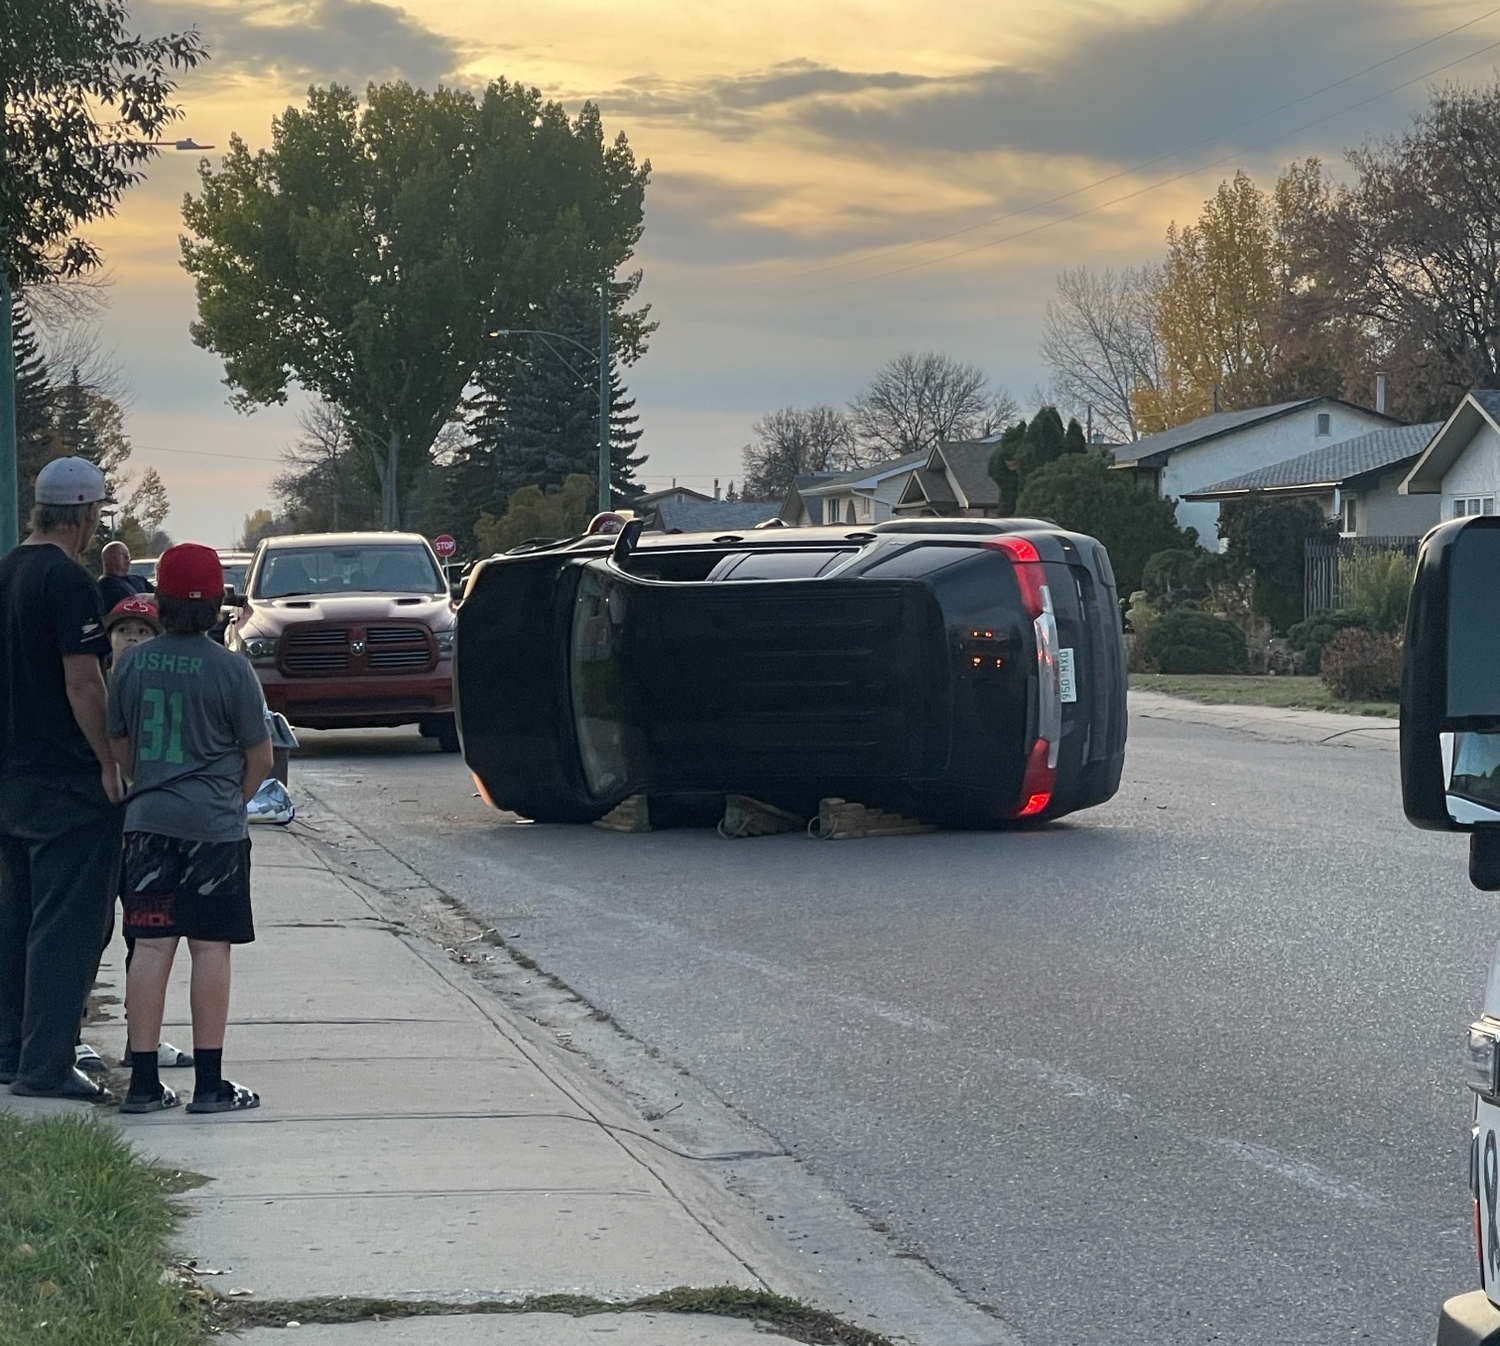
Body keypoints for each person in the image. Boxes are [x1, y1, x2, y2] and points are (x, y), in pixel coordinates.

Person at [109, 543, 272, 1114]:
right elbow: (261, 756)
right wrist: (231, 800)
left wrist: (150, 780)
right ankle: (209, 1085)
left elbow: (121, 743)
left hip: (148, 824)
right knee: (211, 948)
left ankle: (144, 1084)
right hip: (214, 830)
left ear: (160, 602)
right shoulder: (233, 671)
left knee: (150, 947)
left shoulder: (131, 664)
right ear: (219, 605)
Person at [0, 456, 125, 1103]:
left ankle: (9, 1047)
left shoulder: (9, 570)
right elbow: (84, 680)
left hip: (12, 774)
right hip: (65, 780)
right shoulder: (66, 579)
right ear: (85, 515)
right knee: (67, 923)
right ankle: (45, 1063)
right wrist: (110, 761)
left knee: (15, 916)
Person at [98, 540, 152, 610]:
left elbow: (160, 597)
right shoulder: (105, 585)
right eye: (122, 555)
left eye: (128, 555)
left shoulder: (138, 580)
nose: (127, 558)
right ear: (108, 559)